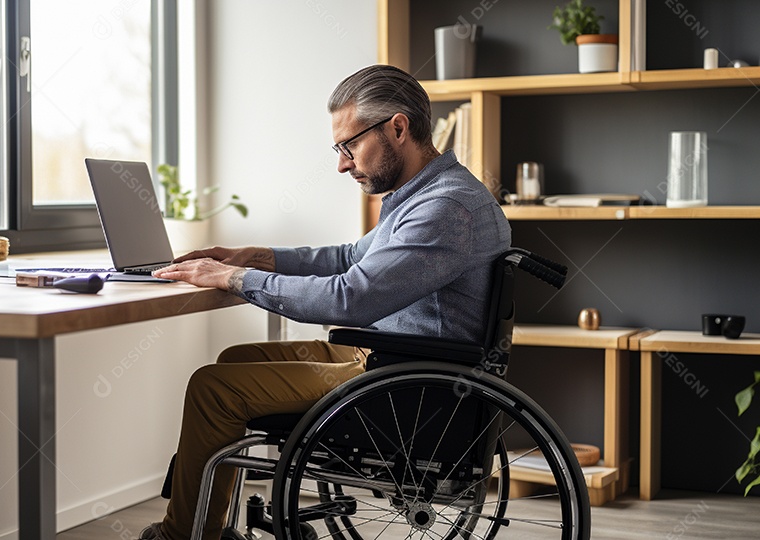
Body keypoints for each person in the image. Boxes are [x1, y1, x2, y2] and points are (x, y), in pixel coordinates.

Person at [141, 64, 511, 540]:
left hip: (405, 383)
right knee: (234, 359)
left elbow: (350, 298)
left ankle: (182, 536)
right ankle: (207, 526)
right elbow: (351, 258)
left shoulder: (445, 208)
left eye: (349, 146)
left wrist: (235, 278)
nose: (342, 164)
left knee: (213, 389)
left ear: (398, 128)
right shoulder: (429, 194)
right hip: (396, 359)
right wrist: (254, 256)